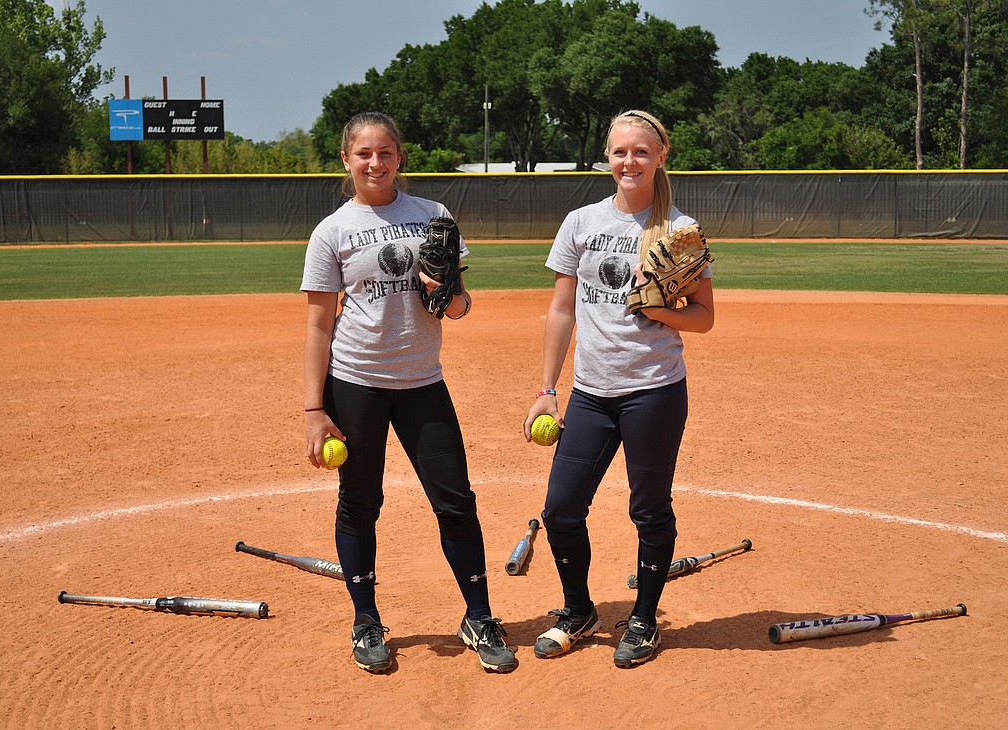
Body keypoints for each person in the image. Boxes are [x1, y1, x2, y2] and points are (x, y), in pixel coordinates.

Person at [301, 112, 516, 674]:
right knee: (360, 503)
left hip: (423, 381)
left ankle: (478, 615)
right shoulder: (333, 231)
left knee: (456, 502)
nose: (376, 163)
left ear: (401, 158)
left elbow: (461, 305)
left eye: (387, 152)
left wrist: (447, 292)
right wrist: (313, 409)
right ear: (347, 160)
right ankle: (366, 619)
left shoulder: (433, 217)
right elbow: (319, 326)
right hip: (355, 383)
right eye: (364, 154)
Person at [522, 110, 715, 668]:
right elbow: (561, 311)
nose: (629, 162)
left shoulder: (679, 230)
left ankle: (644, 619)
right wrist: (546, 389)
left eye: (640, 152)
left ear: (661, 155)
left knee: (649, 510)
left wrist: (657, 307)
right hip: (590, 393)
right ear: (607, 157)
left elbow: (703, 318)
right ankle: (578, 609)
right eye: (619, 152)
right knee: (560, 510)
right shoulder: (581, 222)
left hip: (653, 389)